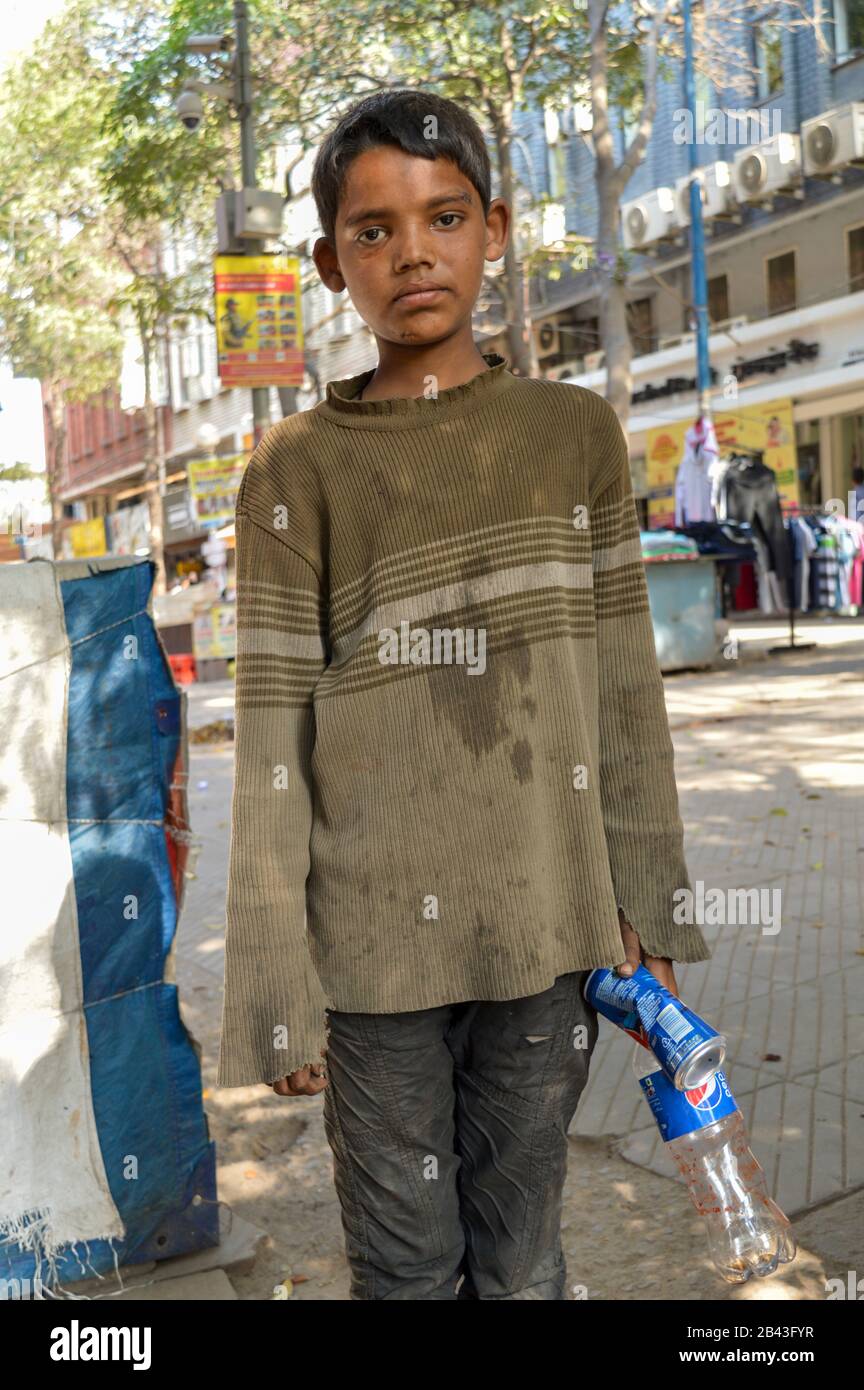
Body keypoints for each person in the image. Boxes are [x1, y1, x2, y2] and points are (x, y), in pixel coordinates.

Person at [216, 88, 711, 1300]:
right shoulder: (296, 470)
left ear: (495, 228)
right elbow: (273, 730)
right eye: (372, 232)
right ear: (330, 265)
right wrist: (277, 977)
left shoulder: (572, 435)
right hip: (371, 958)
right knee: (404, 1265)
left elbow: (621, 689)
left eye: (442, 217)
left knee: (524, 1250)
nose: (411, 252)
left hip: (548, 933)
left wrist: (642, 894)